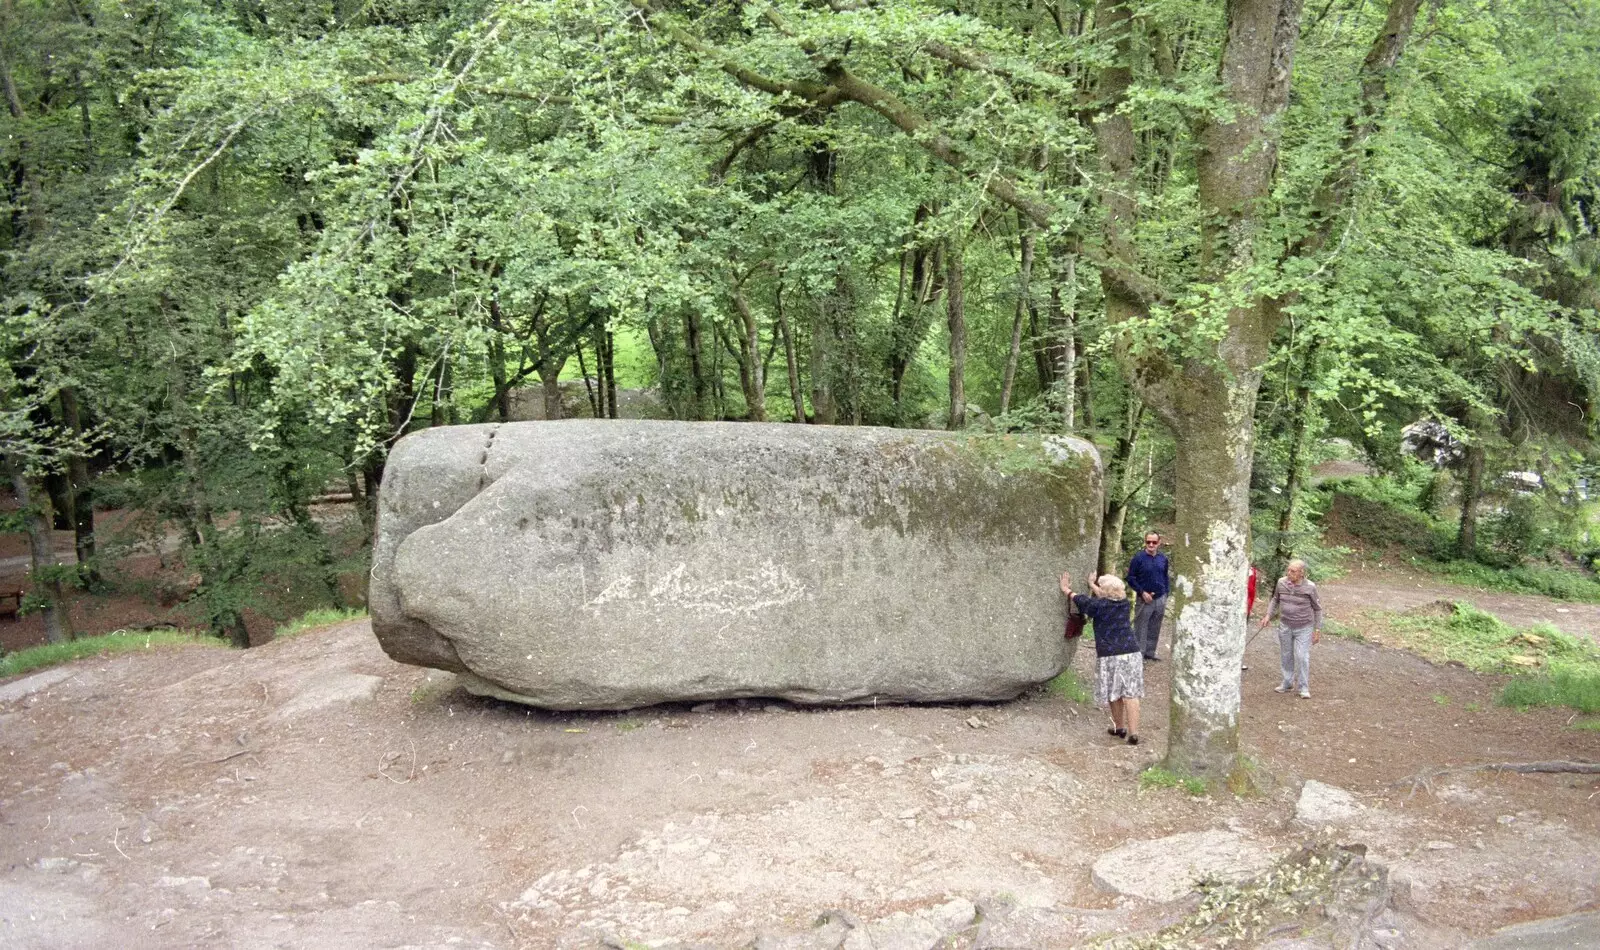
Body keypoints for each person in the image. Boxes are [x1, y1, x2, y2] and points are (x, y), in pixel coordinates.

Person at [1061, 570, 1144, 745]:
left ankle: (1120, 727)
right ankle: (1134, 732)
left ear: (1105, 592)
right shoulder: (1124, 603)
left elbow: (1082, 601)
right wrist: (1092, 585)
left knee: (1114, 691)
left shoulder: (1097, 607)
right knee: (1131, 693)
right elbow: (1105, 595)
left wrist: (1067, 589)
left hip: (1110, 654)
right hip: (1131, 652)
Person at [1258, 559, 1324, 698]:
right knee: (1286, 655)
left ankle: (1303, 687)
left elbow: (1317, 609)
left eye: (1293, 571)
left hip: (1304, 627)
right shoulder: (1281, 582)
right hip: (1285, 625)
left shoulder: (1310, 587)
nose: (1289, 573)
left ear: (1301, 573)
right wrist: (1268, 615)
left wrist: (1317, 630)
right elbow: (1275, 599)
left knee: (1302, 656)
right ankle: (1287, 683)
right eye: (1288, 570)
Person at [1125, 532, 1170, 662]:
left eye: (1154, 542)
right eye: (1148, 542)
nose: (1151, 544)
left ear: (1159, 543)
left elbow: (1165, 576)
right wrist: (1142, 592)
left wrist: (1167, 592)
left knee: (1155, 626)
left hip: (1160, 597)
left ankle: (1150, 653)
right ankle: (1138, 655)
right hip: (1144, 598)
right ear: (1145, 542)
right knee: (1141, 627)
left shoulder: (1163, 558)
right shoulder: (1138, 558)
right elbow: (1131, 578)